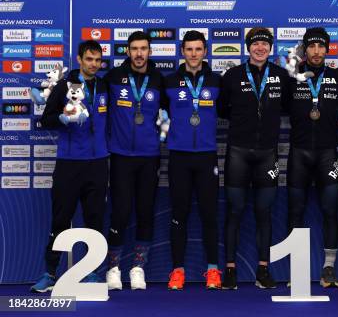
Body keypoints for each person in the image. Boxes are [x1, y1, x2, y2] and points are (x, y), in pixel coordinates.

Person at [31, 40, 109, 292]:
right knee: (61, 219)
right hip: (69, 163)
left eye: (97, 60)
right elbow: (46, 119)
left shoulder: (104, 85)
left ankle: (92, 272)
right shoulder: (65, 85)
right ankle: (50, 273)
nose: (94, 64)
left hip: (97, 163)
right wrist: (64, 118)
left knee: (94, 219)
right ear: (79, 59)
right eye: (89, 59)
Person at [217, 27, 291, 289]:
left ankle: (263, 270)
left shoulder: (282, 76)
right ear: (248, 47)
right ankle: (230, 270)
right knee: (234, 211)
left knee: (264, 212)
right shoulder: (232, 76)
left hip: (268, 154)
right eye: (255, 43)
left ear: (271, 48)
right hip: (237, 151)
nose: (260, 48)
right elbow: (222, 108)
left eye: (265, 44)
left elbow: (291, 107)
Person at [286, 27, 338, 288]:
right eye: (311, 47)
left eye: (321, 47)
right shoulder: (292, 76)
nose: (316, 51)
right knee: (296, 211)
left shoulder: (337, 76)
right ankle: (297, 269)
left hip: (328, 152)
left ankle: (329, 268)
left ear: (327, 49)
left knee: (330, 211)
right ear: (305, 49)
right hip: (299, 153)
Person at [104, 31, 167, 290]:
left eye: (144, 49)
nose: (139, 53)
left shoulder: (158, 80)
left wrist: (165, 127)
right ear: (127, 52)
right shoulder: (113, 78)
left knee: (144, 211)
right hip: (120, 156)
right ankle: (113, 268)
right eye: (134, 49)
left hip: (149, 157)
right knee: (119, 212)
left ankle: (138, 267)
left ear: (150, 52)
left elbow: (168, 114)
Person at [163, 30, 222, 290]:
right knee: (179, 215)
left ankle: (212, 270)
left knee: (209, 214)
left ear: (205, 52)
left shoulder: (217, 81)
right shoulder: (169, 81)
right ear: (182, 51)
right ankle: (178, 270)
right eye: (189, 49)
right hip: (178, 156)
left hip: (207, 156)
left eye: (198, 49)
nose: (194, 54)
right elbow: (160, 114)